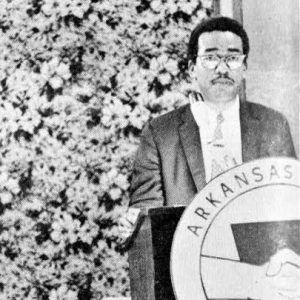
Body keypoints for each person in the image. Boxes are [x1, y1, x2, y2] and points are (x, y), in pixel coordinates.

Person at [128, 16, 296, 209]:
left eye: (232, 58)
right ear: (192, 68)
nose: (222, 69)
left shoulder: (273, 125)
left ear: (244, 68)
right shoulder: (160, 133)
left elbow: (289, 203)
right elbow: (146, 216)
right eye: (210, 58)